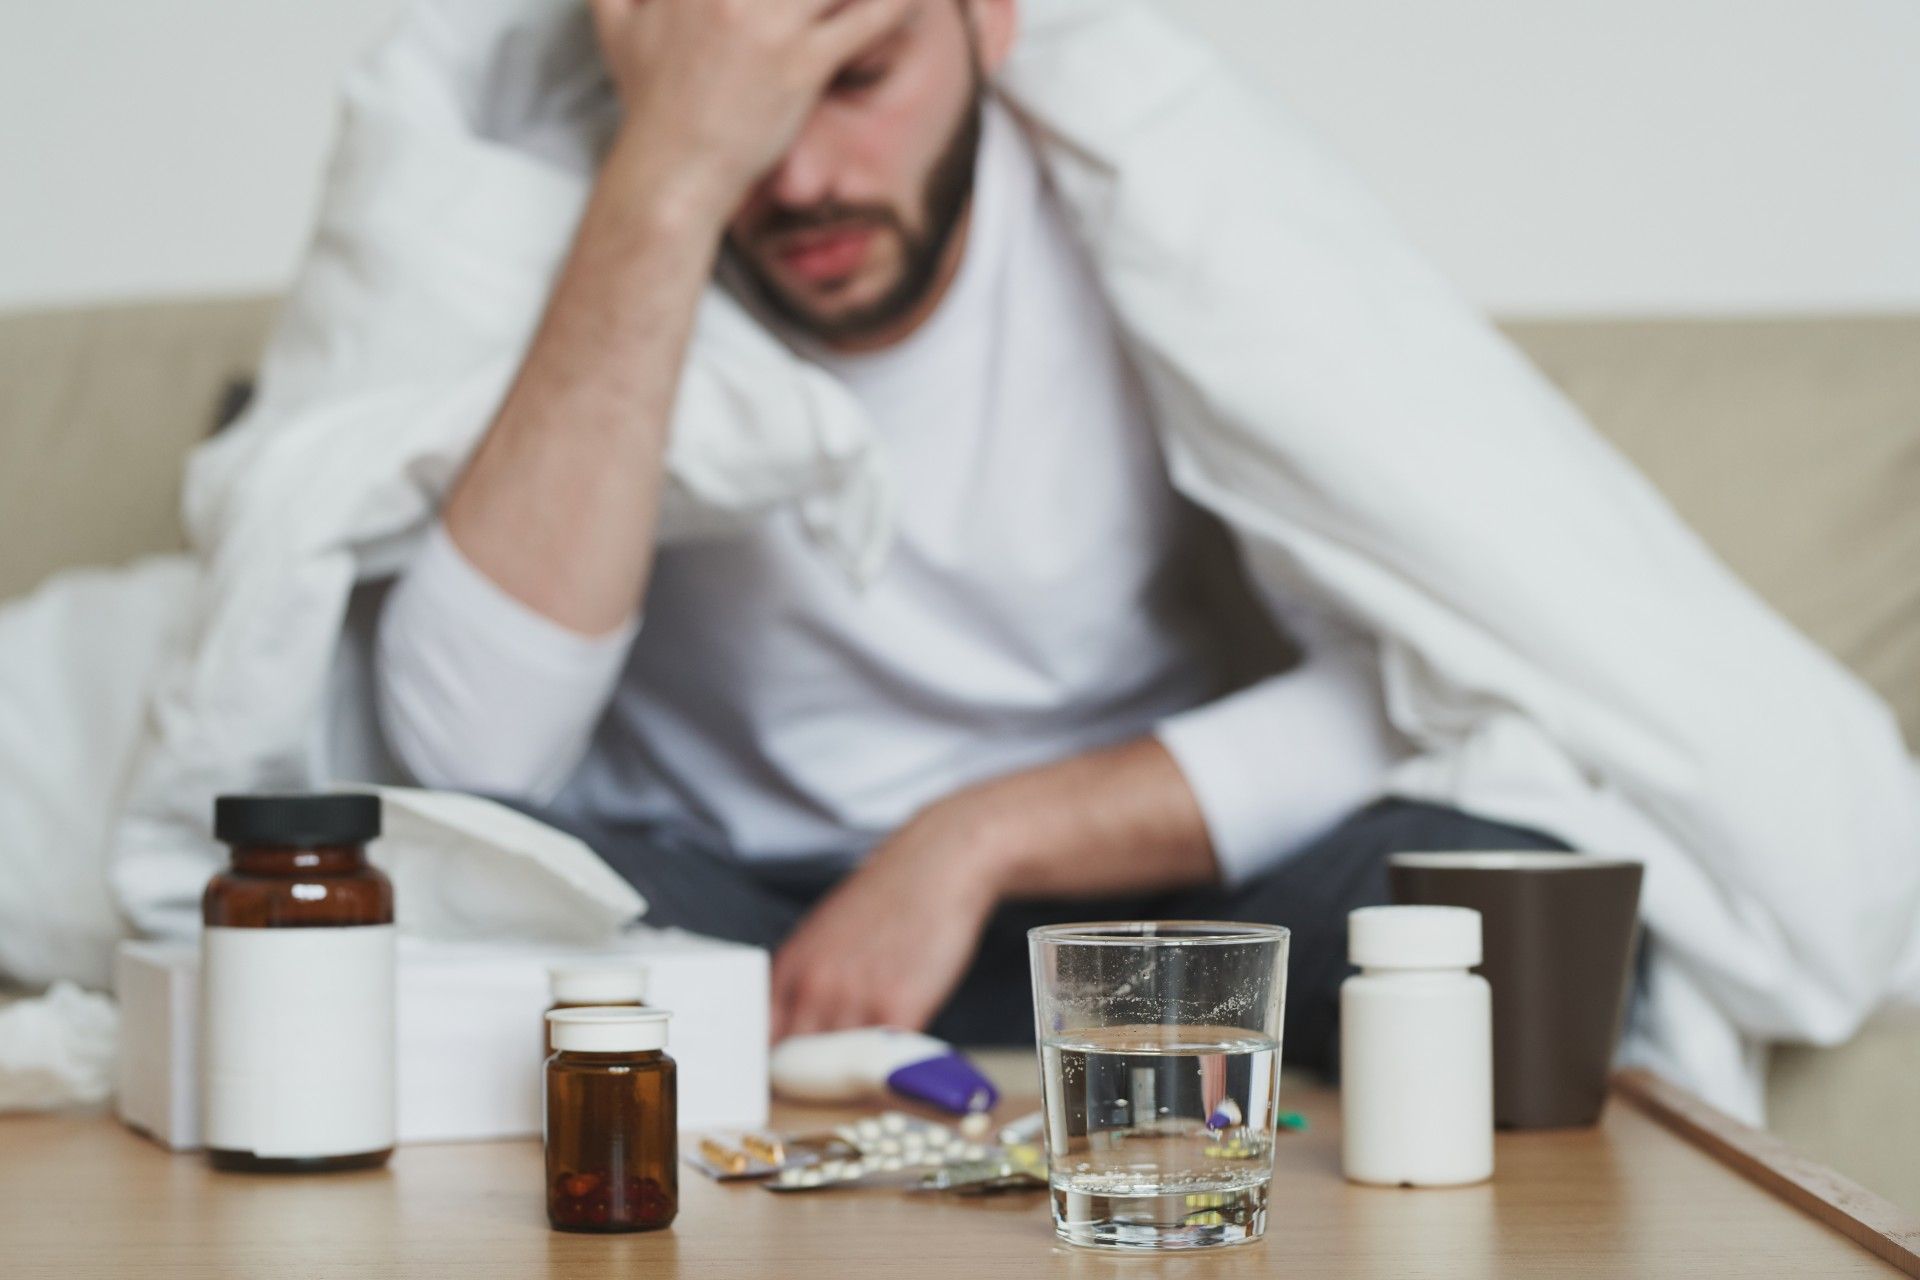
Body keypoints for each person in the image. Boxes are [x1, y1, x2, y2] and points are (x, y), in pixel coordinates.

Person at [373, 0, 1568, 1070]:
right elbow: (467, 761)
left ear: (989, 20)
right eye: (743, 107)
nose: (795, 181)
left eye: (856, 79)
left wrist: (975, 841)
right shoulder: (579, 204)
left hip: (1109, 923)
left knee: (1498, 903)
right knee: (411, 900)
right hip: (719, 927)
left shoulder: (1159, 221)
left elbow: (1421, 681)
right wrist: (670, 175)